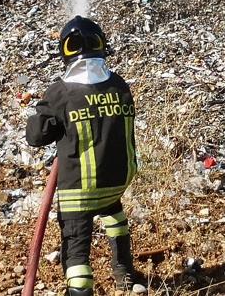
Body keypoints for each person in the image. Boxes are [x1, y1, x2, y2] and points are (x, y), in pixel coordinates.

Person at [26, 16, 145, 295]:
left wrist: (44, 112)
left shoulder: (60, 92)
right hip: (118, 181)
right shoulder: (119, 85)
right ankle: (125, 274)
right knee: (114, 214)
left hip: (80, 190)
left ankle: (80, 289)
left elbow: (35, 137)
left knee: (76, 250)